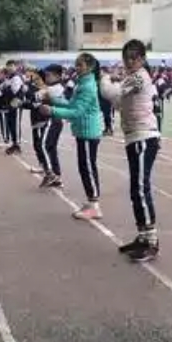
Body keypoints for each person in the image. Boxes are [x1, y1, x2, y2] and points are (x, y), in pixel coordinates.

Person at [100, 40, 161, 262]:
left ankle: (151, 241)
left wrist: (105, 77)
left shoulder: (139, 77)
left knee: (140, 188)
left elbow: (111, 94)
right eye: (126, 57)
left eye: (134, 57)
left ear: (142, 59)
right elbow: (119, 103)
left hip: (144, 136)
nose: (129, 61)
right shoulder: (132, 78)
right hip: (135, 137)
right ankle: (143, 236)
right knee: (137, 188)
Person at [39, 52, 104, 220]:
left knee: (87, 167)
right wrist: (54, 100)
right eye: (76, 64)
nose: (77, 68)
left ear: (90, 67)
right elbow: (71, 104)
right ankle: (91, 202)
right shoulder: (82, 83)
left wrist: (52, 110)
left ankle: (94, 205)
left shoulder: (87, 86)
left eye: (80, 65)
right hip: (83, 131)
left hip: (89, 132)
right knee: (84, 167)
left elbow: (77, 111)